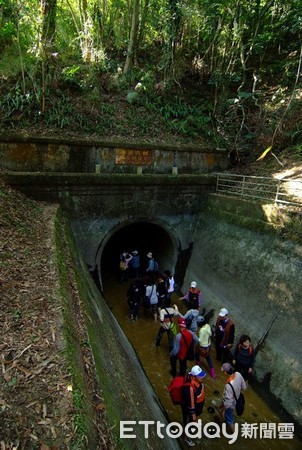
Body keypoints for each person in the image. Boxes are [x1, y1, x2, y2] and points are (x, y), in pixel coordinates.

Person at [181, 365, 206, 447]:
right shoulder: (190, 388)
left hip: (196, 406)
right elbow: (191, 404)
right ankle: (185, 439)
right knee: (188, 423)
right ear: (194, 377)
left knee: (190, 422)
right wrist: (193, 416)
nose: (202, 377)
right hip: (189, 409)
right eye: (200, 376)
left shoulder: (195, 380)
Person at [219, 362, 247, 432]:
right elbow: (244, 387)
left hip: (231, 404)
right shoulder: (238, 374)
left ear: (225, 373)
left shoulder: (228, 386)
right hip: (237, 398)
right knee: (229, 415)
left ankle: (234, 433)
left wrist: (223, 409)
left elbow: (228, 403)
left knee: (229, 419)